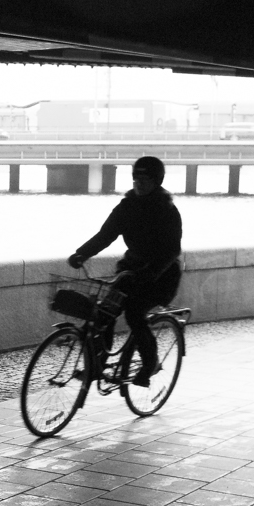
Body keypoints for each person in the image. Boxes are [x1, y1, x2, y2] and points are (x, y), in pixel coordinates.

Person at [66, 155, 183, 386]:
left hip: (161, 277)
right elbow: (106, 235)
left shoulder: (167, 210)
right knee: (104, 313)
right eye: (136, 179)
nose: (139, 184)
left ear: (157, 181)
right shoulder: (127, 206)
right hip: (131, 271)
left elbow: (172, 251)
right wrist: (82, 254)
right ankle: (96, 366)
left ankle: (150, 363)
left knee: (134, 313)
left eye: (145, 179)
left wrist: (152, 272)